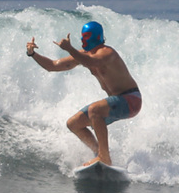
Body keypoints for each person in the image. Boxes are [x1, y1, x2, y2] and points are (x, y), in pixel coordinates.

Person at [27, 21, 141, 167]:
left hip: (131, 100)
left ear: (96, 37)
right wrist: (32, 54)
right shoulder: (83, 55)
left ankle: (104, 157)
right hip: (117, 101)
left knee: (95, 110)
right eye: (82, 36)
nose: (82, 40)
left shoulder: (107, 53)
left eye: (86, 36)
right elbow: (52, 66)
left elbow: (92, 61)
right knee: (73, 124)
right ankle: (98, 153)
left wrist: (70, 49)